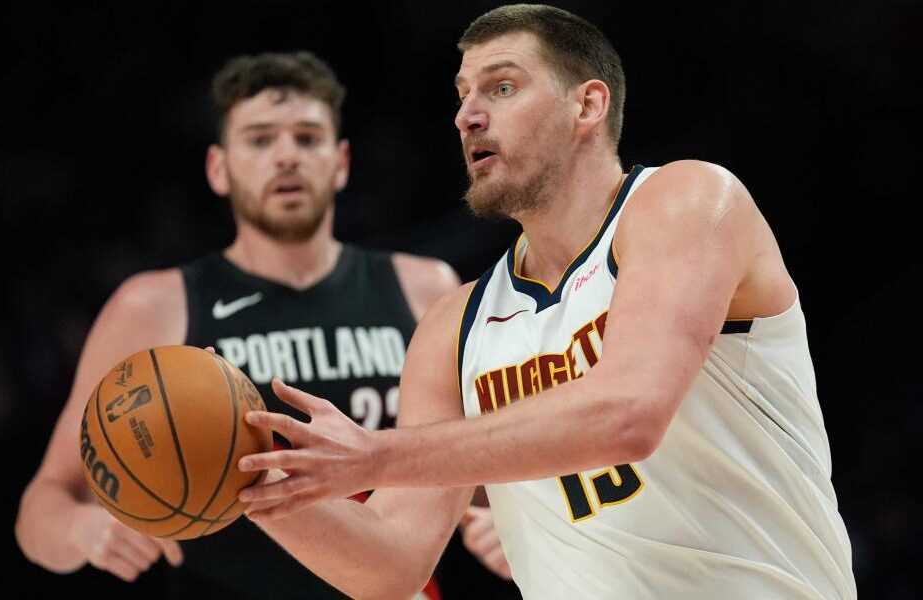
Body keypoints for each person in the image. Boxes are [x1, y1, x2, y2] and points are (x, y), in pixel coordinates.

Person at [230, 6, 858, 600]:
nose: (467, 116)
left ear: (587, 105)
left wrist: (376, 457)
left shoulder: (686, 200)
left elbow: (628, 415)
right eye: (462, 95)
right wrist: (243, 480)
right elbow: (391, 564)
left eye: (501, 87)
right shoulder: (453, 327)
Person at [14, 51, 513, 599]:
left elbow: (480, 466)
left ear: (341, 162)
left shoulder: (424, 289)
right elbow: (43, 505)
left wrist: (510, 520)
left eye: (307, 138)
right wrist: (82, 530)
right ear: (218, 168)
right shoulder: (153, 306)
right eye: (259, 140)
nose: (286, 156)